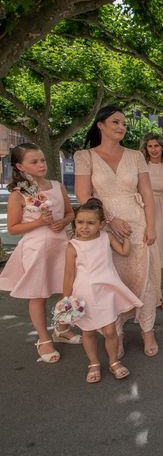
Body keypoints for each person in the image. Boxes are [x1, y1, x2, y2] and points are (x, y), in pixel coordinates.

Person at [74, 106, 161, 358]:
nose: (122, 126)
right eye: (115, 122)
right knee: (112, 280)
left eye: (123, 123)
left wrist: (151, 225)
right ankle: (117, 333)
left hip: (137, 222)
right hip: (103, 225)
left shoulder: (136, 156)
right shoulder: (85, 156)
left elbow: (146, 192)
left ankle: (148, 330)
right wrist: (109, 221)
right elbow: (83, 195)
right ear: (100, 125)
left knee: (142, 278)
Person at [0, 143, 77, 363]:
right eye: (34, 162)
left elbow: (71, 212)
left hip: (61, 245)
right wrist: (40, 222)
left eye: (42, 160)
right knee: (39, 294)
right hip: (37, 249)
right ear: (20, 166)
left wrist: (62, 221)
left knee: (66, 289)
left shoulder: (56, 185)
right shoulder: (19, 193)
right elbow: (13, 228)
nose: (41, 164)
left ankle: (62, 328)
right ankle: (43, 338)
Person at [62, 199, 143, 383]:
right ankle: (94, 363)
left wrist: (128, 238)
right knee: (88, 331)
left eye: (91, 223)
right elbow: (68, 276)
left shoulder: (106, 237)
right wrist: (65, 300)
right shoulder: (72, 246)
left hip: (106, 291)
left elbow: (123, 252)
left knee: (109, 331)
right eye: (80, 222)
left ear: (101, 224)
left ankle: (114, 361)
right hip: (84, 294)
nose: (84, 227)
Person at [140, 134, 163, 310]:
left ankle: (158, 294)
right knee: (144, 250)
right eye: (150, 146)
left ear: (162, 147)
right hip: (143, 208)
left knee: (160, 252)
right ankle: (142, 293)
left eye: (156, 145)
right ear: (146, 149)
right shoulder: (141, 165)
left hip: (161, 210)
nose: (153, 149)